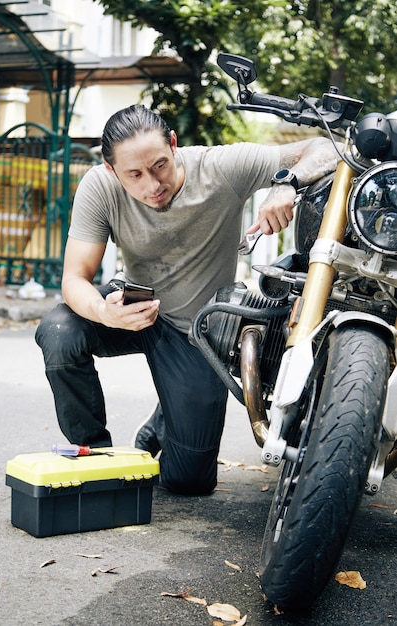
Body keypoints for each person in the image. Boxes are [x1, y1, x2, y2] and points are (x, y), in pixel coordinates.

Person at [35, 104, 339, 496]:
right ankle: (96, 460)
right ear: (112, 171)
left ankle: (164, 421)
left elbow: (325, 148)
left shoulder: (221, 168)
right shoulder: (100, 186)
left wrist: (286, 183)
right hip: (131, 309)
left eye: (159, 165)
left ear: (174, 145)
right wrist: (103, 313)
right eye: (135, 174)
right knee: (59, 330)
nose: (152, 184)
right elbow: (75, 278)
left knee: (188, 482)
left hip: (195, 333)